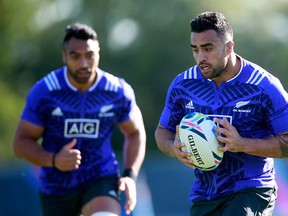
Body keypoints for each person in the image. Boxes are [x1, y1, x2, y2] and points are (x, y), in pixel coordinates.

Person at [155, 11, 288, 216]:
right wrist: (174, 148)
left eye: (208, 49)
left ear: (229, 47)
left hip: (251, 190)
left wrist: (243, 144)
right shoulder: (183, 85)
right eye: (195, 50)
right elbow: (162, 131)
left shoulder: (264, 86)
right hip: (205, 194)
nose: (201, 58)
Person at [13, 23, 146, 216]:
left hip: (101, 177)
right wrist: (53, 159)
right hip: (57, 186)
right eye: (75, 56)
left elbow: (135, 132)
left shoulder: (117, 91)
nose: (84, 63)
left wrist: (130, 175)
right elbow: (20, 143)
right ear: (64, 56)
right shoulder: (45, 91)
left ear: (98, 54)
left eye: (90, 55)